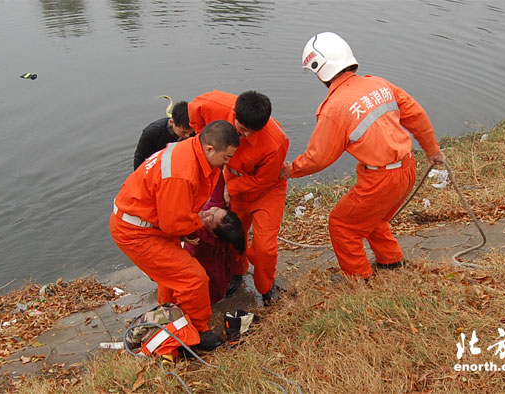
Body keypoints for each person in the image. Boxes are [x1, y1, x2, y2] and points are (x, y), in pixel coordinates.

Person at [281, 32, 446, 280]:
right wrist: (432, 150)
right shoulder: (379, 84)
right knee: (372, 217)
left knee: (343, 225)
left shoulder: (334, 108)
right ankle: (391, 262)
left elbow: (319, 157)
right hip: (407, 168)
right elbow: (416, 115)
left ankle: (360, 280)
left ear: (319, 69)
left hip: (381, 180)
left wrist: (290, 170)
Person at [110, 120, 240, 350]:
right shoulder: (181, 173)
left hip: (149, 223)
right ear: (210, 149)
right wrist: (192, 225)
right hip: (138, 232)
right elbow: (173, 223)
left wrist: (186, 229)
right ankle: (198, 332)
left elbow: (177, 215)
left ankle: (168, 315)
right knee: (193, 278)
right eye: (226, 158)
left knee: (172, 278)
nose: (227, 163)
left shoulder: (192, 151)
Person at [187, 90, 289, 305]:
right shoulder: (213, 105)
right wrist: (200, 137)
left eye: (252, 133)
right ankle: (237, 272)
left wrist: (231, 189)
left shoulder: (275, 142)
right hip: (233, 181)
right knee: (233, 236)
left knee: (264, 249)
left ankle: (266, 288)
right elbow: (194, 110)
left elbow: (265, 180)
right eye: (242, 130)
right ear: (234, 113)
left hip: (266, 192)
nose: (246, 136)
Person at [184, 174, 246, 304]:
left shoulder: (201, 236)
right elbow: (218, 180)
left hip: (211, 283)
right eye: (215, 210)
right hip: (220, 270)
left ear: (214, 234)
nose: (208, 212)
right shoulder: (218, 219)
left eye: (210, 218)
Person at [133, 100, 195, 170]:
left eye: (190, 132)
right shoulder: (153, 132)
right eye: (184, 132)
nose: (188, 136)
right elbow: (139, 157)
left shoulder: (196, 129)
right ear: (172, 122)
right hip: (157, 161)